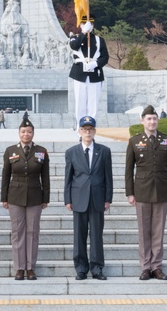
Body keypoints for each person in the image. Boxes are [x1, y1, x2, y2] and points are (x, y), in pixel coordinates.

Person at [125, 104, 167, 281]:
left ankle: (157, 266)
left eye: (155, 119)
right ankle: (145, 266)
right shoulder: (135, 141)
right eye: (149, 119)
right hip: (141, 191)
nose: (152, 122)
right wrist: (130, 193)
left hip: (162, 190)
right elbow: (128, 169)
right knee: (144, 231)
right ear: (142, 121)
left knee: (158, 231)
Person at [0, 117, 50, 280]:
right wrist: (4, 197)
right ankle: (19, 267)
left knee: (33, 232)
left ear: (33, 133)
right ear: (19, 133)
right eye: (23, 131)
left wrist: (45, 198)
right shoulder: (10, 151)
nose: (26, 134)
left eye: (29, 131)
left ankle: (30, 267)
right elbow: (5, 175)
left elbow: (45, 176)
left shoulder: (41, 151)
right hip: (15, 196)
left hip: (35, 196)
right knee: (17, 232)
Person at [63, 115, 112, 281]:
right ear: (79, 131)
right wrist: (67, 199)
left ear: (95, 131)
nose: (87, 132)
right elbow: (68, 177)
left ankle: (97, 268)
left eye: (90, 129)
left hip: (97, 198)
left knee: (97, 235)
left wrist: (108, 198)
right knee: (79, 235)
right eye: (84, 129)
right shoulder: (71, 152)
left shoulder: (104, 151)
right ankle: (81, 268)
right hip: (78, 198)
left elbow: (108, 177)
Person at [68, 14, 109, 130]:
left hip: (94, 74)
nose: (87, 25)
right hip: (80, 74)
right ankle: (80, 128)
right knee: (80, 103)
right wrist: (83, 33)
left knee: (93, 104)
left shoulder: (99, 40)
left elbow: (105, 57)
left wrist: (95, 64)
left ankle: (91, 128)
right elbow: (74, 46)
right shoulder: (75, 37)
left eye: (90, 24)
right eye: (84, 24)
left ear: (93, 25)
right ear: (80, 25)